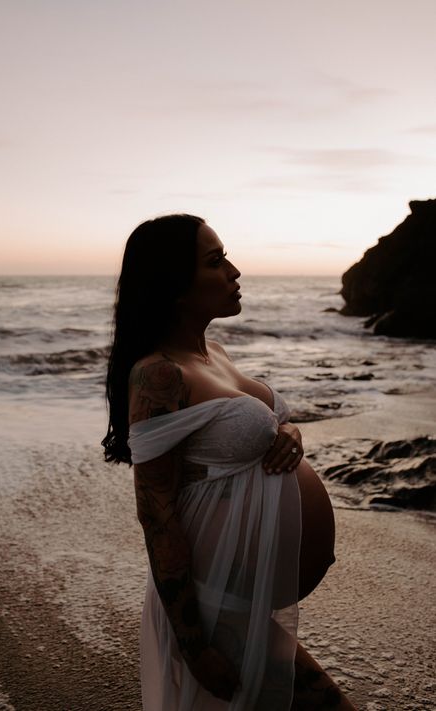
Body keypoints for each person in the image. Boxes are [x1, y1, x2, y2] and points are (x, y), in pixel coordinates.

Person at [102, 214, 357, 710]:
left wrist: (289, 432)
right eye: (216, 262)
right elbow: (156, 512)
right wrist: (193, 645)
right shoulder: (158, 375)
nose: (234, 271)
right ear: (173, 284)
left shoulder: (213, 352)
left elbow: (256, 424)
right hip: (213, 601)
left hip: (239, 598)